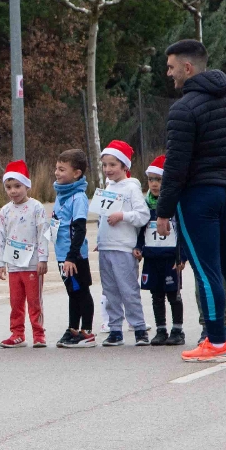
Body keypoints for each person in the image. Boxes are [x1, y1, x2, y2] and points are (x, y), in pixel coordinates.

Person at [153, 39, 226, 363]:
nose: (168, 73)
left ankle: (216, 340)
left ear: (187, 67)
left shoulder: (183, 109)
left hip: (198, 196)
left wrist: (163, 211)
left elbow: (175, 166)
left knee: (206, 270)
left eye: (171, 67)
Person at [93, 141, 150, 346]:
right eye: (105, 165)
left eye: (113, 165)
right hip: (106, 247)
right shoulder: (108, 187)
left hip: (123, 247)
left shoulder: (131, 188)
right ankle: (115, 329)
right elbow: (102, 217)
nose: (108, 169)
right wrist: (101, 239)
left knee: (128, 290)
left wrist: (123, 216)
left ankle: (139, 329)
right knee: (110, 291)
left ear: (124, 166)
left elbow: (143, 215)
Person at [0, 161, 50, 349]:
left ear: (26, 186)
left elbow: (43, 233)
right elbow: (0, 236)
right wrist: (0, 262)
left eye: (17, 186)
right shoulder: (5, 210)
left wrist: (42, 258)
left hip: (32, 264)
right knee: (16, 302)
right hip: (14, 265)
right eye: (9, 187)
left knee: (34, 301)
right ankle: (17, 334)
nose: (13, 191)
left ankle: (39, 334)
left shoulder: (36, 207)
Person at [139, 155, 186, 347]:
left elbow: (183, 233)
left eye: (158, 179)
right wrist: (138, 247)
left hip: (171, 259)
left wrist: (182, 256)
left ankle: (177, 330)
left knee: (173, 295)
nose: (154, 184)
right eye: (151, 179)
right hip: (152, 258)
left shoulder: (175, 206)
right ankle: (161, 330)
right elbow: (140, 230)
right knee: (156, 295)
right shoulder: (145, 205)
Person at [52, 149, 95, 348]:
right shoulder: (61, 194)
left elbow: (79, 229)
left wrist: (72, 256)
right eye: (56, 168)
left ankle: (87, 332)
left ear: (76, 173)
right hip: (62, 255)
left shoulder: (78, 197)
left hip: (74, 256)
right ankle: (73, 329)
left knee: (81, 291)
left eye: (62, 169)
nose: (57, 173)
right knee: (72, 292)